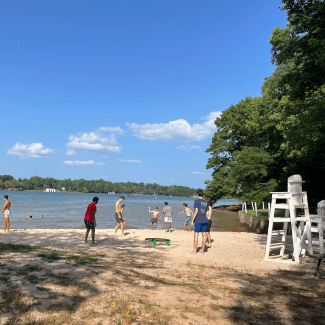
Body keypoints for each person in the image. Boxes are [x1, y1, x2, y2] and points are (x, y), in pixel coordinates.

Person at [191, 189, 208, 254]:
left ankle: (194, 250)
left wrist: (192, 220)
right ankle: (202, 250)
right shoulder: (206, 202)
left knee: (196, 235)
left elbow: (196, 211)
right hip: (205, 219)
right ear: (202, 194)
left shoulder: (196, 201)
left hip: (198, 219)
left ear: (197, 194)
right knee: (204, 235)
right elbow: (207, 213)